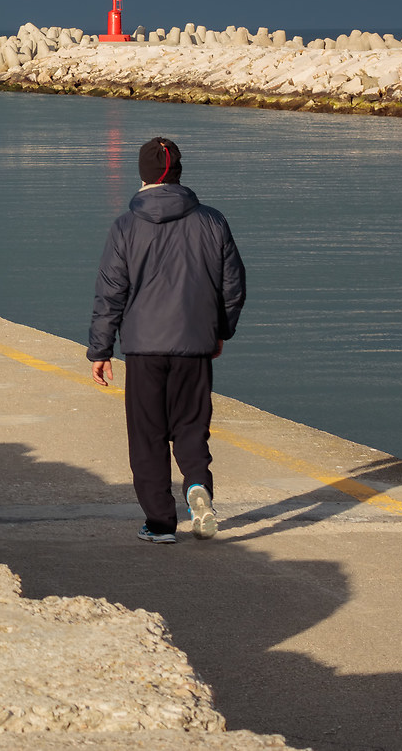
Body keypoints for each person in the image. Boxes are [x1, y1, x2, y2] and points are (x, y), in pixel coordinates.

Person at [88, 136, 245, 544]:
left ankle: (159, 523)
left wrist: (101, 349)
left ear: (142, 176)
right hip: (195, 345)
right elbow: (233, 287)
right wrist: (220, 331)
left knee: (148, 435)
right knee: (192, 426)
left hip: (143, 348)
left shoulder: (125, 226)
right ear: (178, 173)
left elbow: (110, 293)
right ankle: (196, 486)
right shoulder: (213, 221)